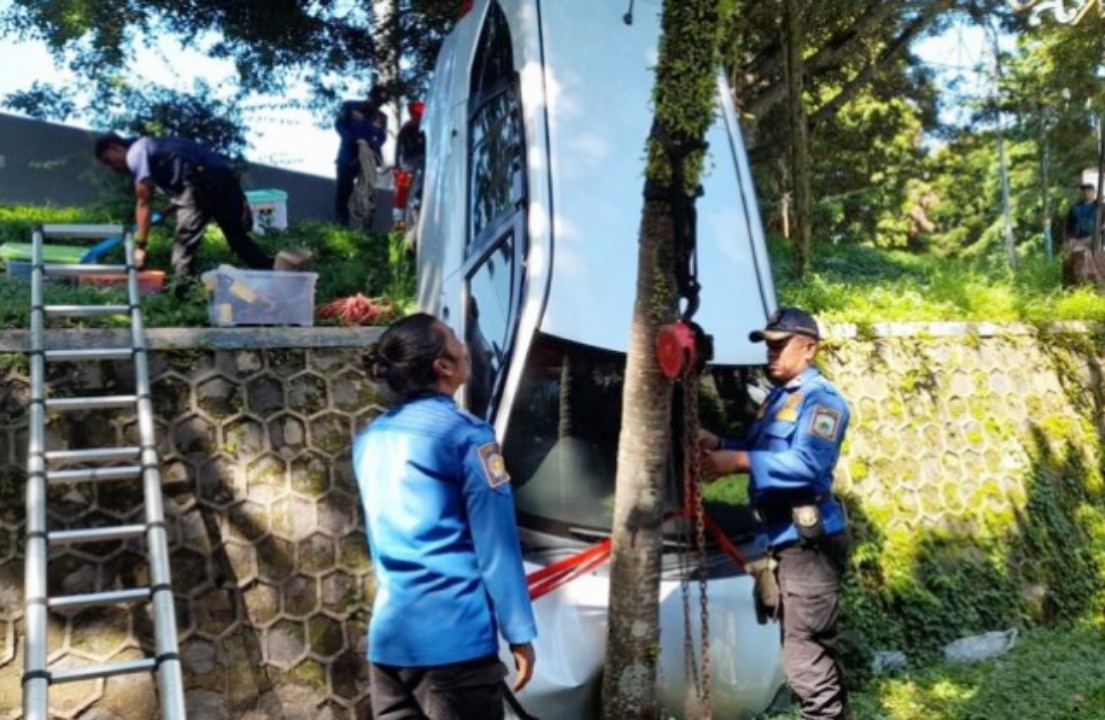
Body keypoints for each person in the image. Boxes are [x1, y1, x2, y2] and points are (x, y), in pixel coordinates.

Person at [353, 313, 537, 719]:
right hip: (455, 645)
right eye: (454, 336)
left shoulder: (369, 440)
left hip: (389, 643)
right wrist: (520, 633)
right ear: (444, 366)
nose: (464, 343)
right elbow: (497, 546)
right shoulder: (469, 436)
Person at [699, 307, 851, 720]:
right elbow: (765, 452)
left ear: (809, 348)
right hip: (784, 542)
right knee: (807, 652)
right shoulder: (780, 399)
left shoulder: (824, 401)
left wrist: (739, 461)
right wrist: (721, 443)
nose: (771, 353)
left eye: (780, 345)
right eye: (768, 345)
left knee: (804, 659)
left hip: (809, 546)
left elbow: (808, 464)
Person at [93, 133, 275, 277]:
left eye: (108, 160)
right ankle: (276, 277)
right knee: (239, 241)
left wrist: (140, 247)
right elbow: (191, 185)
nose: (112, 166)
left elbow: (143, 201)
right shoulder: (154, 144)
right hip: (224, 176)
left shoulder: (135, 152)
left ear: (115, 147)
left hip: (201, 182)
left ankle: (182, 296)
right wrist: (170, 208)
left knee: (183, 249)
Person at [335, 86, 388, 226]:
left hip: (368, 159)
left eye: (380, 102)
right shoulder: (350, 106)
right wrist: (354, 140)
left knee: (368, 191)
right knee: (344, 189)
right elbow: (339, 124)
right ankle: (342, 223)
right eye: (375, 100)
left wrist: (370, 143)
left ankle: (366, 225)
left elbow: (381, 137)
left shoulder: (382, 118)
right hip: (348, 156)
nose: (376, 104)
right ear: (369, 96)